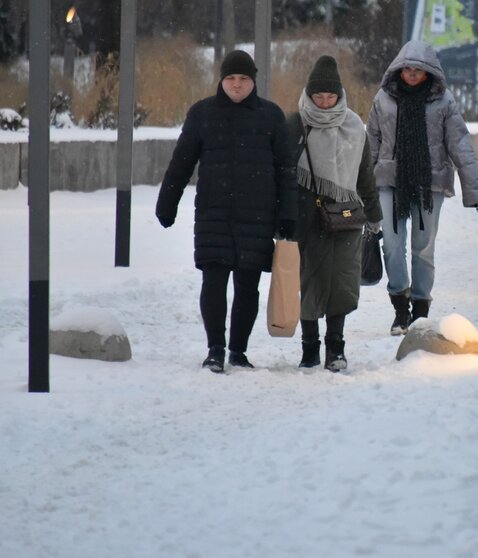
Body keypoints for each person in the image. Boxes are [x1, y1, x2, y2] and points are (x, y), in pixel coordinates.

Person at [155, 50, 298, 374]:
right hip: (213, 213)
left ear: (253, 81)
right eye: (231, 78)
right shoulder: (202, 114)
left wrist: (288, 215)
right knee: (214, 281)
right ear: (221, 80)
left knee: (247, 286)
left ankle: (238, 351)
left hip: (257, 215)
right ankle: (215, 350)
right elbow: (181, 163)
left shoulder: (271, 117)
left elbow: (286, 171)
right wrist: (167, 203)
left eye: (243, 78)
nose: (237, 84)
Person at [366, 40, 478, 336]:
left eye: (418, 69)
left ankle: (419, 309)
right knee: (391, 245)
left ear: (429, 71)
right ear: (399, 69)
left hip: (429, 183)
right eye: (408, 69)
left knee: (423, 248)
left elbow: (459, 143)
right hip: (389, 179)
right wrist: (363, 185)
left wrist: (471, 188)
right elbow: (371, 142)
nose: (412, 74)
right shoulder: (383, 99)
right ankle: (399, 306)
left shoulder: (443, 101)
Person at [286, 55, 382, 372]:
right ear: (309, 94)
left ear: (339, 95)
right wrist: (281, 219)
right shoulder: (295, 125)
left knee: (342, 282)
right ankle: (309, 348)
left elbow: (365, 176)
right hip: (306, 218)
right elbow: (282, 173)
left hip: (346, 217)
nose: (325, 103)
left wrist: (374, 215)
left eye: (330, 96)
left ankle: (336, 348)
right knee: (310, 281)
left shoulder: (354, 128)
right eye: (319, 97)